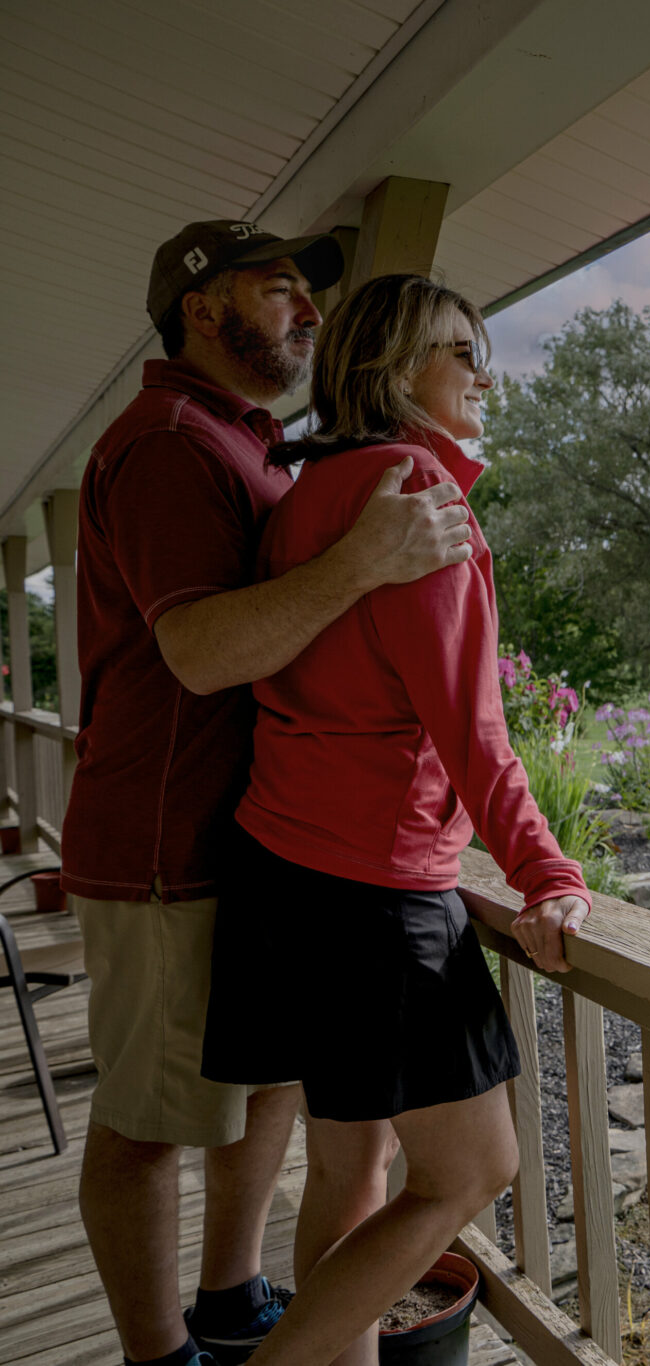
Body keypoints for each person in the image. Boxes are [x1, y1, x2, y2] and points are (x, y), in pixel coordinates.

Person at [68, 221, 481, 1366]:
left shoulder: (255, 445)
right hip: (164, 844)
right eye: (280, 289)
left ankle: (232, 1293)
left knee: (267, 1088)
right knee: (150, 1121)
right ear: (203, 311)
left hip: (259, 841)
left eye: (310, 294)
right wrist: (364, 559)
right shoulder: (167, 443)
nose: (306, 311)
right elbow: (199, 650)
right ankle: (163, 1357)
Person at [200, 272, 590, 1366]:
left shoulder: (306, 496)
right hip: (373, 891)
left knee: (350, 1169)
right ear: (390, 369)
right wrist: (546, 872)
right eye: (461, 351)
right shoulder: (418, 496)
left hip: (279, 871)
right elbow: (473, 729)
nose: (485, 372)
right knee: (469, 1169)